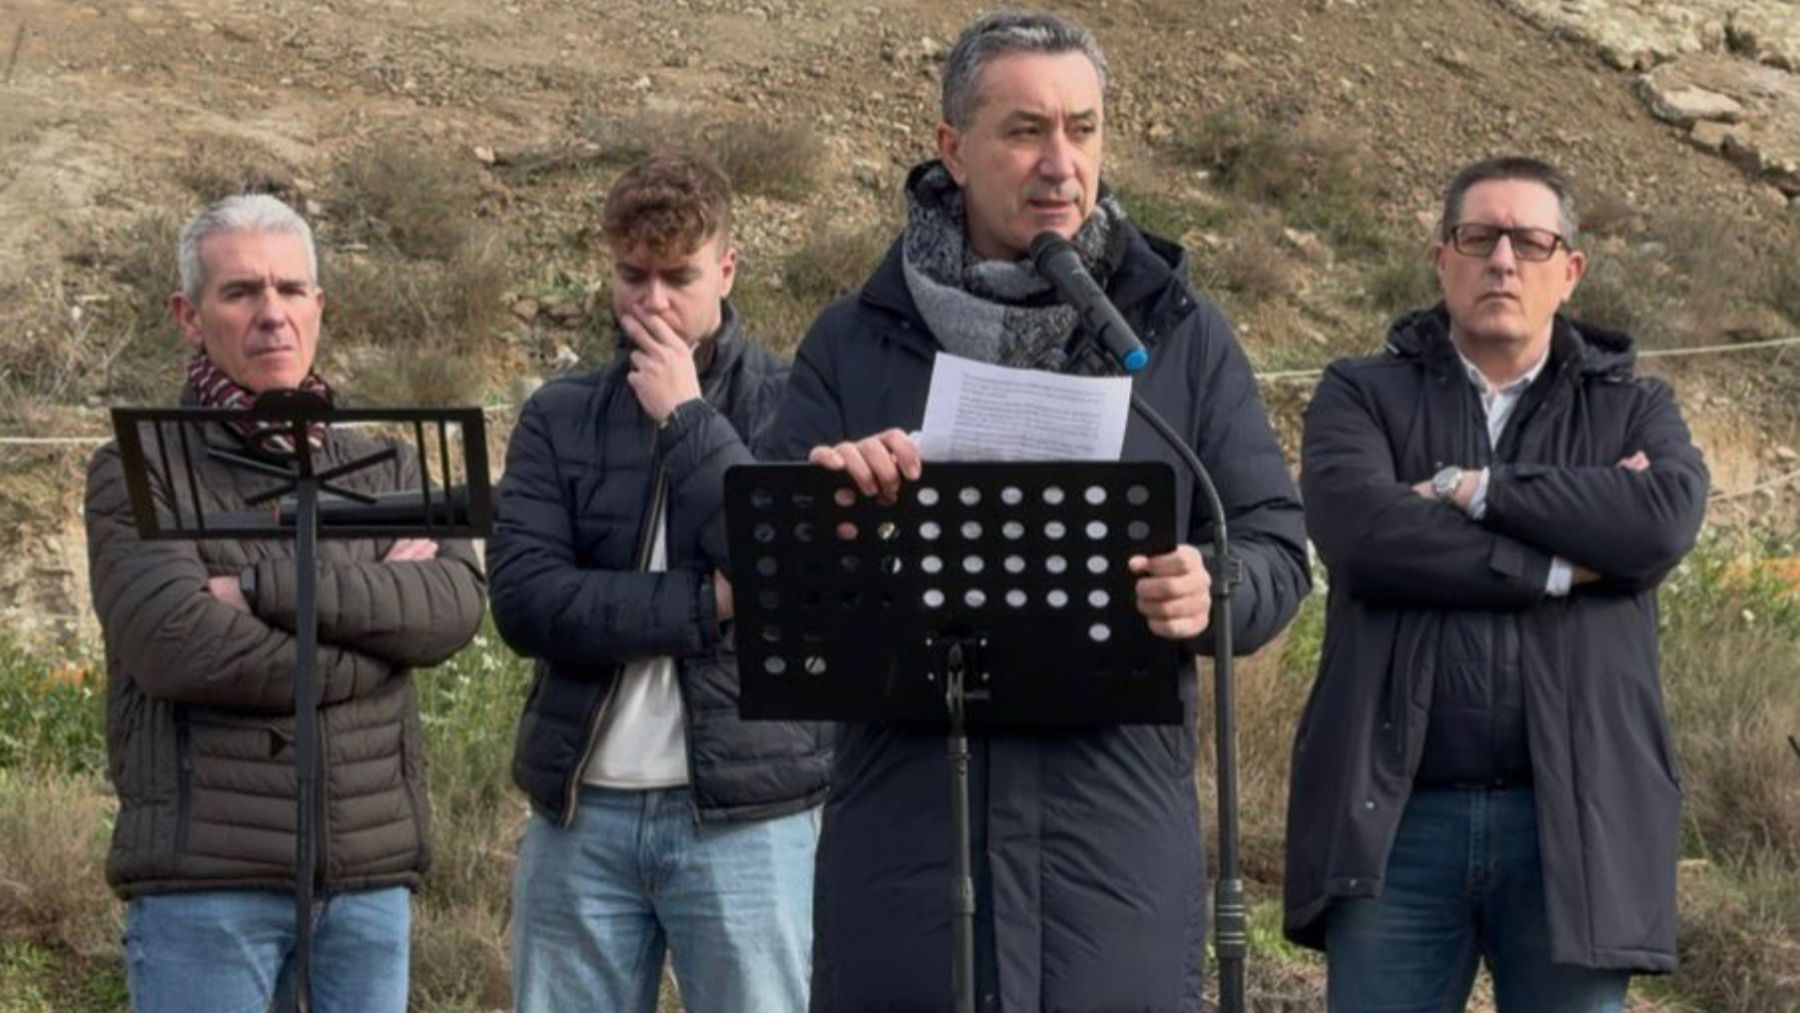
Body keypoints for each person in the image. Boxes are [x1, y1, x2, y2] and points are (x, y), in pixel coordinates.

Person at [765, 11, 1310, 1010]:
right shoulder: (852, 342)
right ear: (953, 149)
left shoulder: (1177, 335)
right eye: (1025, 130)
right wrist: (828, 502)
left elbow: (1273, 537)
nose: (1061, 162)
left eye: (1084, 128)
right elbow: (762, 565)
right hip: (907, 835)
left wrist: (1214, 586)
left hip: (1113, 840)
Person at [1285, 155, 1710, 1012]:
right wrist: (1558, 564)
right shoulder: (1359, 394)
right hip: (1396, 824)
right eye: (1479, 237)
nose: (1504, 260)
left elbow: (1658, 520)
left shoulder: (1634, 407)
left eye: (1530, 240)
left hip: (1575, 827)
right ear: (1442, 258)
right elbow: (1363, 537)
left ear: (1570, 268)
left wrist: (1475, 490)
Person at [83, 193, 488, 1013]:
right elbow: (175, 643)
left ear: (319, 306)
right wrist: (379, 637)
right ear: (189, 316)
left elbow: (450, 605)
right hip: (206, 884)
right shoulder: (139, 466)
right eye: (241, 292)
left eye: (291, 289)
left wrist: (264, 590)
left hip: (365, 873)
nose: (273, 314)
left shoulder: (384, 462)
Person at [488, 153, 828, 1013]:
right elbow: (529, 602)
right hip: (580, 816)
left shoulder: (794, 405)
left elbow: (790, 579)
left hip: (750, 815)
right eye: (633, 276)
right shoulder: (559, 415)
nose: (653, 301)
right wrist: (707, 602)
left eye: (678, 277)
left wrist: (686, 417)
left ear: (727, 267)